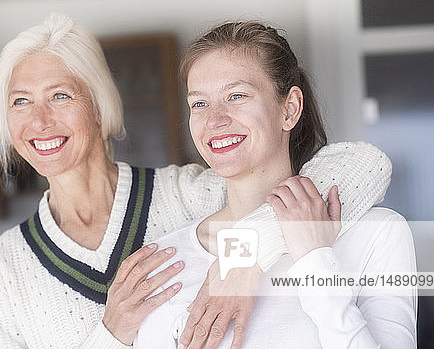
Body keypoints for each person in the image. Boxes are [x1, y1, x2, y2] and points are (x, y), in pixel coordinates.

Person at [0, 14, 393, 349]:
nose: (39, 121)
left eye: (60, 95)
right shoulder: (4, 269)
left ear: (99, 105)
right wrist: (112, 331)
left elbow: (362, 166)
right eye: (20, 102)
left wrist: (243, 252)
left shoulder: (190, 196)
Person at [134, 21, 417, 349]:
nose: (214, 119)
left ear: (290, 109)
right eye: (199, 103)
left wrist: (314, 259)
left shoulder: (378, 234)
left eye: (236, 95)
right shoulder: (164, 262)